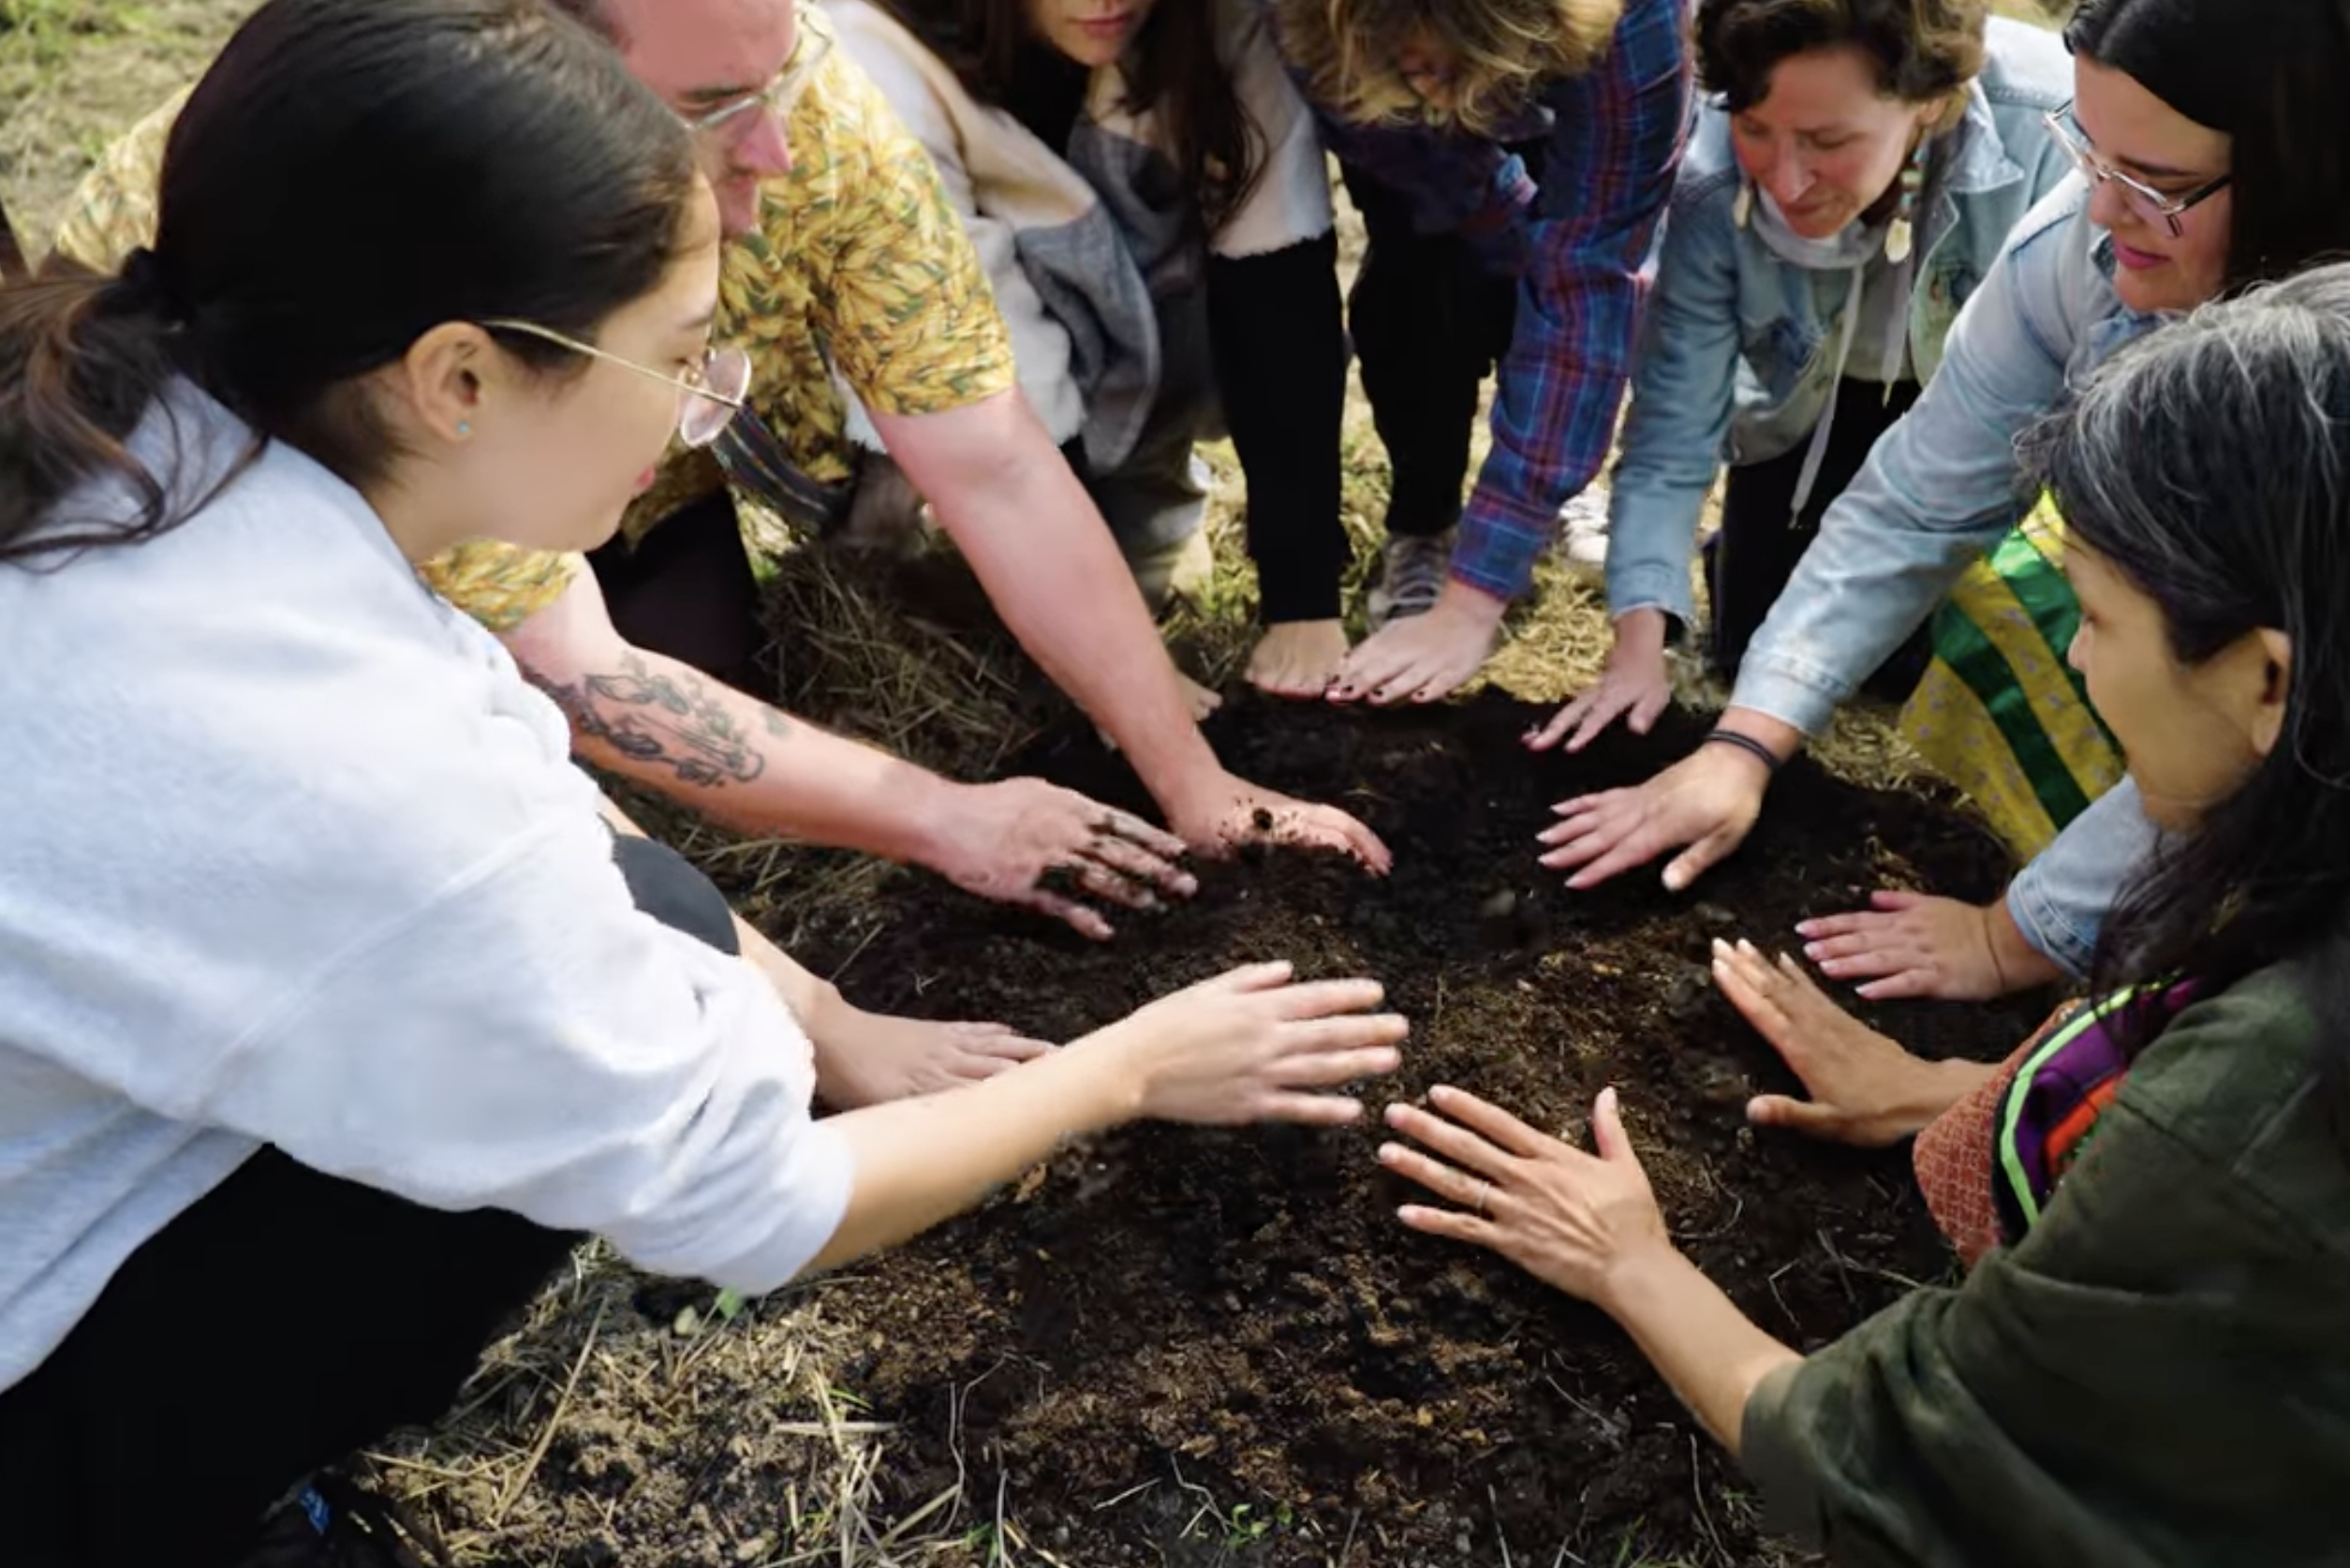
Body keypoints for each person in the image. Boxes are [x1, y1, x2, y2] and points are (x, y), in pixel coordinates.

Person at [0, 6, 1408, 1564]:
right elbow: (758, 1201)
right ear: (456, 377)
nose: (697, 411)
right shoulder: (359, 775)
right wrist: (1128, 1066)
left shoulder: (171, 435)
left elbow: (532, 781)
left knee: (653, 906)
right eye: (680, 354)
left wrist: (824, 1014)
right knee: (551, 1089)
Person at [1382, 261, 2350, 1561]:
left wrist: (1629, 1257)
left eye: (2096, 612)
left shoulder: (2320, 1071)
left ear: (2270, 680)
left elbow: (1881, 1471)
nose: (2074, 656)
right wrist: (1965, 1088)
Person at [1535, 0, 2350, 1000]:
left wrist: (2021, 930)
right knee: (2044, 612)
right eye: (2087, 149)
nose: (2101, 210)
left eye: (2157, 181)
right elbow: (1921, 498)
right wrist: (1748, 738)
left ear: (2319, 166)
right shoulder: (2100, 232)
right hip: (2314, 631)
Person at [54, 0, 1391, 954]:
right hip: (365, 507)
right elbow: (565, 659)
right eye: (706, 113)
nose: (773, 153)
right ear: (543, 93)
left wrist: (1189, 772)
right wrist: (943, 822)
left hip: (591, 457)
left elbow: (986, 455)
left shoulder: (815, 124)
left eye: (783, 74)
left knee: (712, 684)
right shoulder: (404, 244)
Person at [1530, 0, 2074, 753]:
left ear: (1932, 106)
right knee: (1754, 646)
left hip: (1980, 402)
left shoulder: (2054, 129)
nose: (1787, 180)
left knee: (1925, 663)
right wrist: (1639, 647)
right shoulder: (1710, 180)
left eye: (1827, 141)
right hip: (1814, 389)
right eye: (1755, 129)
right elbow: (1673, 431)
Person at [821, 0, 1359, 696]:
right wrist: (1116, 667)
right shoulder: (873, 41)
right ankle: (898, 514)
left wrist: (1303, 598)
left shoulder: (1224, 17)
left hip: (1131, 324)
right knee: (969, 610)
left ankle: (1149, 498)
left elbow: (1276, 273)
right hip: (952, 341)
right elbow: (965, 349)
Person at [1256, 0, 1695, 705]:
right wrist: (1520, 248)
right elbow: (1434, 171)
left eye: (1447, 67)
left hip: (1569, 56)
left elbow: (1590, 266)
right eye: (1420, 66)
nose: (1438, 93)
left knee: (1567, 299)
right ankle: (1425, 523)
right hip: (1388, 111)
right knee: (1423, 273)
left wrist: (1473, 601)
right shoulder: (1310, 21)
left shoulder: (1637, 25)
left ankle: (1541, 500)